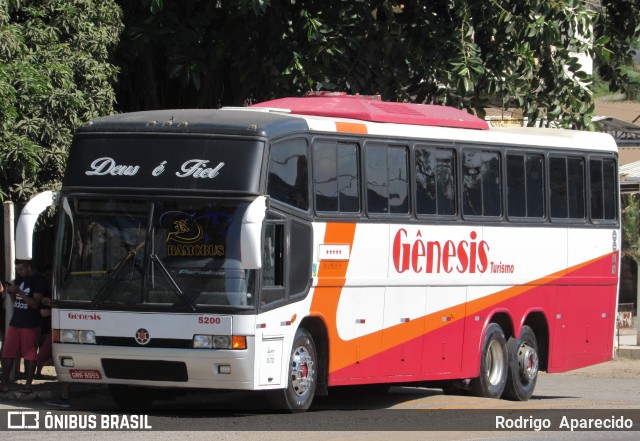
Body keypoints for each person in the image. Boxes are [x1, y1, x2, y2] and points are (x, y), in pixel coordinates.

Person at [0, 260, 45, 394]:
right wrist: (12, 293)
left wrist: (18, 291)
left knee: (30, 355)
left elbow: (35, 304)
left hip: (31, 323)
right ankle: (4, 383)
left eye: (21, 269)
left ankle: (28, 385)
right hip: (16, 322)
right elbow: (16, 301)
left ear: (29, 267)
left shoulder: (39, 280)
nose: (19, 272)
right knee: (7, 353)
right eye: (17, 269)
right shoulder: (20, 278)